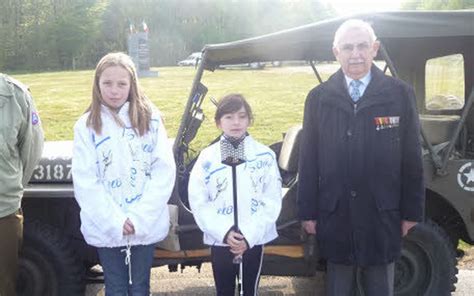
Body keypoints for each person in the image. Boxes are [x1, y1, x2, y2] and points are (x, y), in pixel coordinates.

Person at [297, 19, 425, 296]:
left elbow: (412, 158)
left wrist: (412, 212)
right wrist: (307, 211)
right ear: (336, 52)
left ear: (375, 48)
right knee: (338, 287)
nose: (355, 54)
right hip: (336, 212)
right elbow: (308, 159)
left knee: (380, 287)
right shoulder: (319, 98)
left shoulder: (400, 94)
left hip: (382, 213)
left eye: (362, 46)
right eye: (347, 47)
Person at [72, 52, 176, 295]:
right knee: (116, 286)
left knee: (140, 286)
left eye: (122, 84)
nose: (114, 90)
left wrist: (139, 218)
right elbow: (86, 180)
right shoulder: (86, 126)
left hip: (144, 224)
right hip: (107, 226)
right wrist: (115, 220)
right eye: (107, 83)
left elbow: (163, 170)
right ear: (97, 84)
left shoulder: (151, 120)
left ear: (132, 85)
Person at [188, 94, 282, 296]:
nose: (236, 122)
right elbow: (199, 200)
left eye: (242, 116)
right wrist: (223, 231)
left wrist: (249, 236)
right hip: (221, 240)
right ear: (218, 122)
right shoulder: (208, 157)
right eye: (229, 117)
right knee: (224, 291)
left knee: (250, 291)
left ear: (249, 119)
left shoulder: (265, 156)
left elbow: (271, 200)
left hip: (253, 239)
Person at [0, 73, 44, 296]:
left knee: (4, 286)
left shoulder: (15, 96)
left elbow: (31, 152)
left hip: (3, 212)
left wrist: (9, 188)